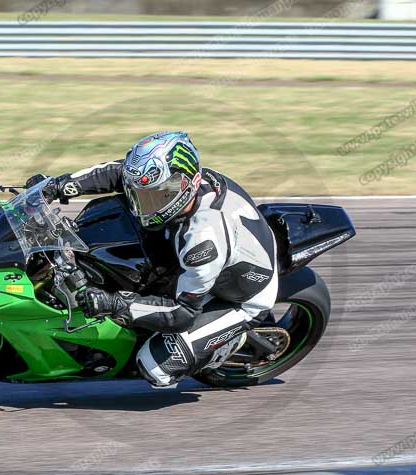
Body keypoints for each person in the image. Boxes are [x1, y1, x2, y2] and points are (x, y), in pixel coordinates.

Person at [27, 131, 278, 388]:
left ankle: (229, 343)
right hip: (212, 259)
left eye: (156, 196)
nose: (141, 205)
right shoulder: (180, 181)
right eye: (139, 194)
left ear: (187, 185)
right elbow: (118, 173)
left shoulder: (202, 241)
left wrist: (115, 303)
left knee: (155, 368)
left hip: (235, 297)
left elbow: (183, 312)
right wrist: (57, 185)